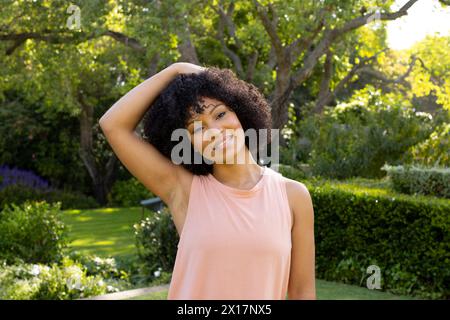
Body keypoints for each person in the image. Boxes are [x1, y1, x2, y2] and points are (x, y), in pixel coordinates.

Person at [99, 62, 316, 300]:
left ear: (241, 112)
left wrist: (215, 80)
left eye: (221, 114)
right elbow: (113, 125)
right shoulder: (183, 189)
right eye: (198, 128)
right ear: (187, 141)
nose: (214, 131)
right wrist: (176, 69)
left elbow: (302, 292)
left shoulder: (294, 196)